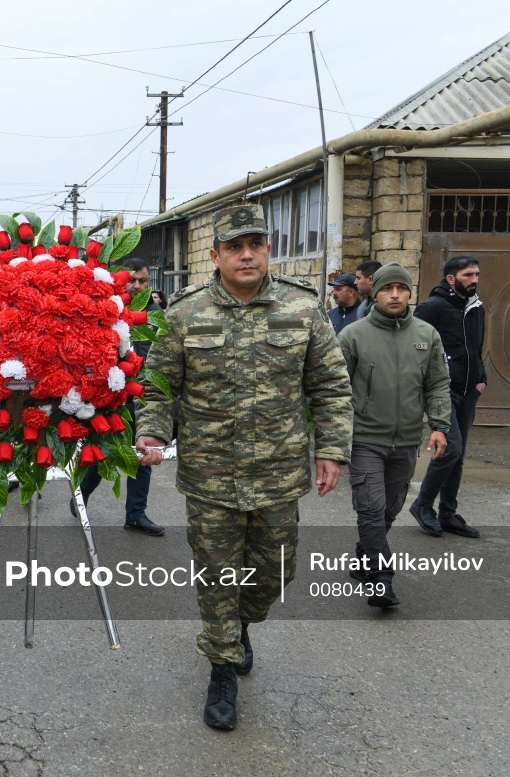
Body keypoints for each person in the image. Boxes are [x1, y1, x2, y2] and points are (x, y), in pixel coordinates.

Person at [134, 204, 352, 731]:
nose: (246, 253)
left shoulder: (302, 310)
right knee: (216, 575)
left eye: (255, 242)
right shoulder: (185, 313)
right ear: (216, 255)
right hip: (210, 476)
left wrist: (332, 448)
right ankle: (222, 666)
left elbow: (329, 385)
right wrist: (152, 429)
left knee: (274, 574)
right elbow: (160, 385)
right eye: (234, 246)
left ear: (268, 249)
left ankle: (242, 624)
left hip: (279, 475)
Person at [338, 263, 451, 608]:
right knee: (370, 510)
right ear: (376, 292)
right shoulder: (353, 335)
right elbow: (335, 390)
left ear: (409, 293)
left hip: (405, 441)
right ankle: (380, 577)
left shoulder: (426, 335)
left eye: (402, 288)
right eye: (388, 289)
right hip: (366, 438)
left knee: (389, 510)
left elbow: (437, 384)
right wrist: (335, 438)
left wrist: (440, 426)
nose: (396, 295)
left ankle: (364, 553)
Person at [75, 256, 164, 536]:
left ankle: (136, 515)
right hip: (107, 397)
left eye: (143, 281)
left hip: (140, 396)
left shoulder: (153, 315)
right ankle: (80, 497)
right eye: (133, 280)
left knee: (143, 451)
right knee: (102, 453)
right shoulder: (104, 309)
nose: (137, 286)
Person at [410, 255, 486, 538]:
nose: (475, 280)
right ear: (451, 279)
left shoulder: (476, 306)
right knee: (450, 449)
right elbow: (414, 346)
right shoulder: (432, 308)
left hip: (469, 391)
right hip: (441, 390)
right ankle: (422, 505)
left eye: (476, 274)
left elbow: (478, 345)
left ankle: (448, 513)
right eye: (468, 275)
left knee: (459, 455)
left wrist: (481, 378)